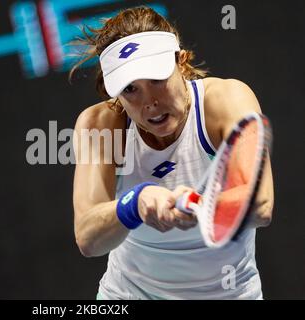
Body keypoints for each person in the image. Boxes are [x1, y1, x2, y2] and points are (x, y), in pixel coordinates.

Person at [71, 6, 274, 299]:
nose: (149, 102)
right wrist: (135, 202)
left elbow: (261, 205)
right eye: (131, 89)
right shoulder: (100, 126)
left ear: (180, 61)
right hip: (129, 295)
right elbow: (89, 238)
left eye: (156, 79)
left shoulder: (226, 100)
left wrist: (194, 204)